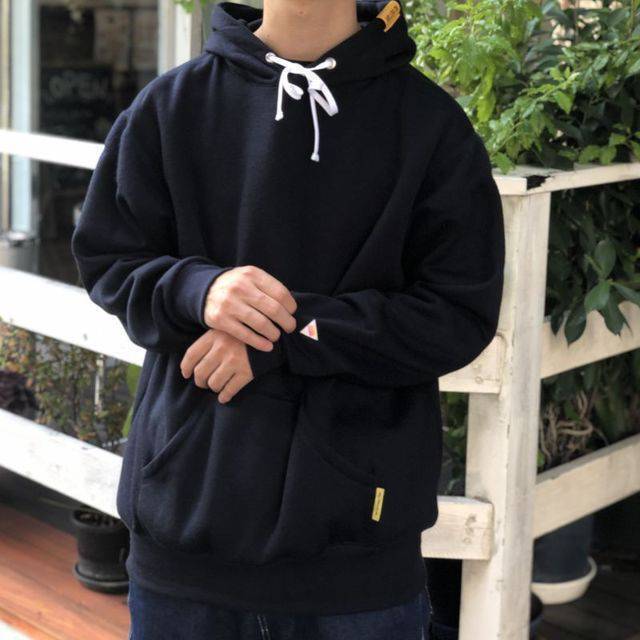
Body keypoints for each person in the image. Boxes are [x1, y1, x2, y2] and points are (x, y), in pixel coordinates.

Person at [70, 0, 505, 638]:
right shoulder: (171, 106)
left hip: (357, 561)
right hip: (185, 535)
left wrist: (287, 332)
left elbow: (458, 312)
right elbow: (109, 258)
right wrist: (197, 288)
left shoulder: (430, 126)